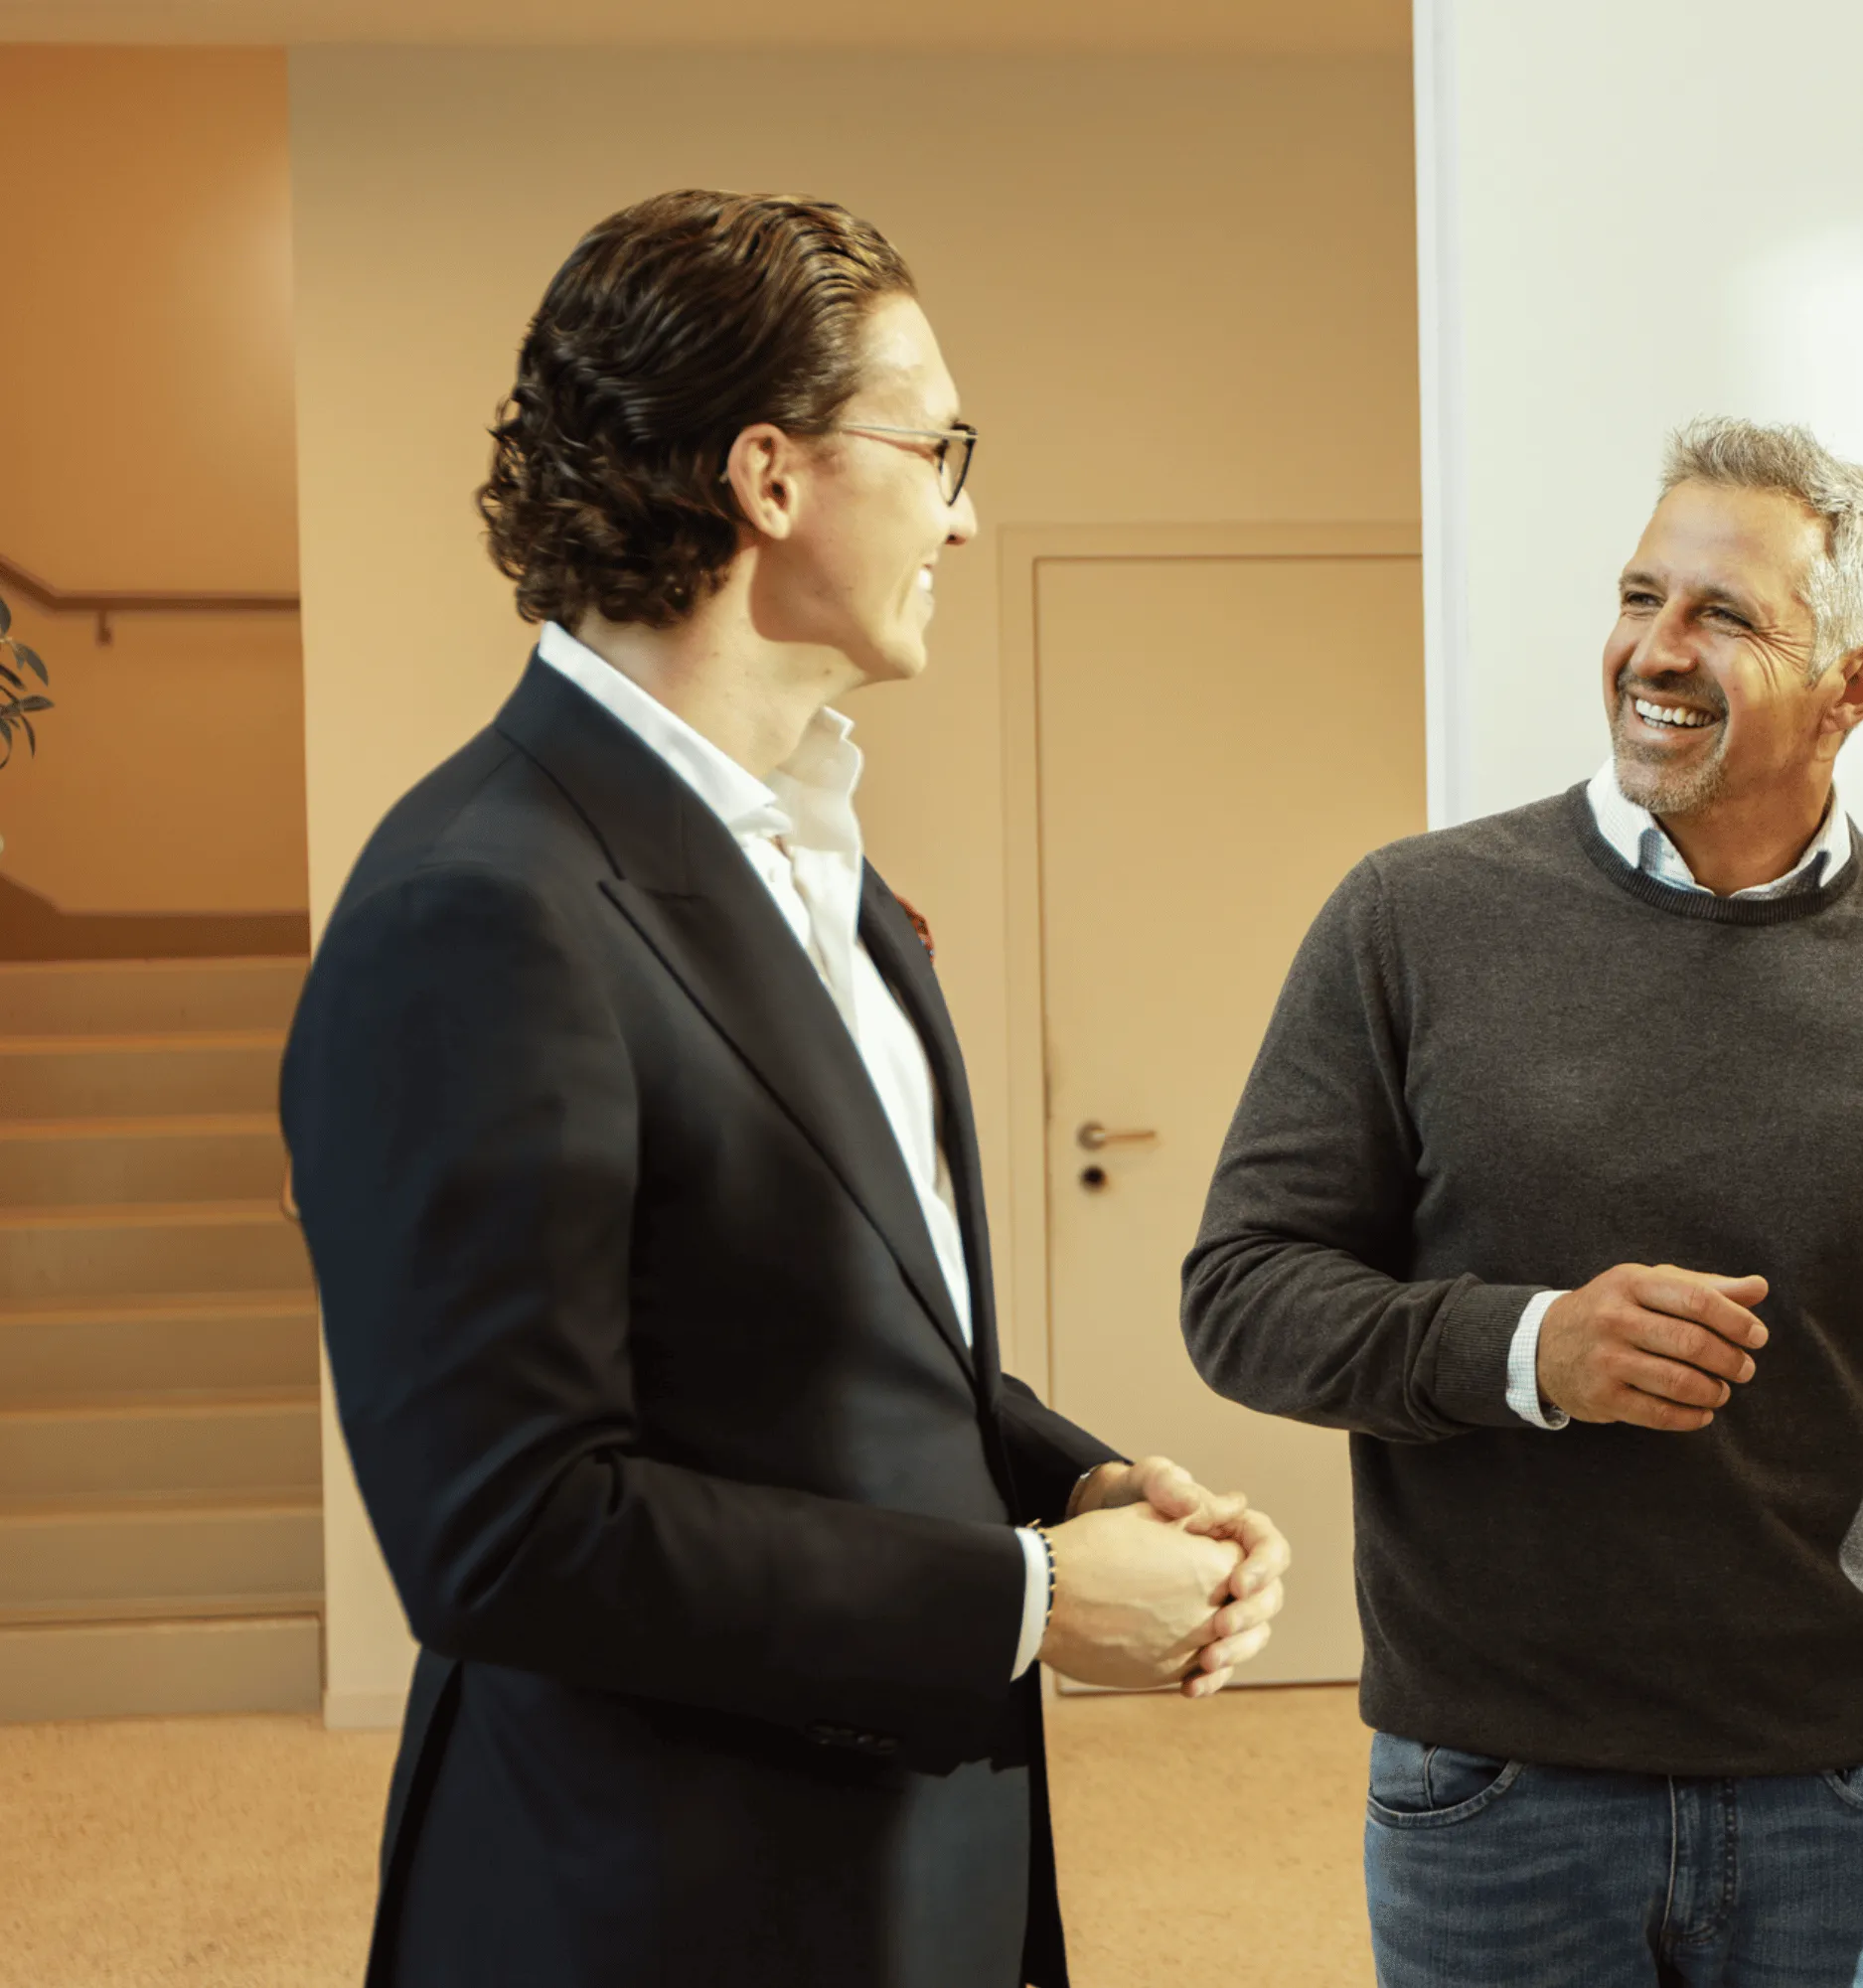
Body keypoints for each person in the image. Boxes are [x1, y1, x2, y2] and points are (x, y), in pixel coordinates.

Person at [282, 190, 1290, 1988]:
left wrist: (1080, 1488)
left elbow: (843, 1353)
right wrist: (1036, 1606)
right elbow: (512, 1529)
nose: (967, 514)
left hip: (916, 1875)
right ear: (769, 475)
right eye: (938, 446)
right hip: (656, 1900)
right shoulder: (478, 906)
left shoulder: (817, 856)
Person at [1182, 418, 1863, 1987]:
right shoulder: (1412, 919)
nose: (1655, 651)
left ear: (1857, 686)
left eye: (1725, 615)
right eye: (1642, 597)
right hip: (1495, 1782)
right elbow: (1243, 1294)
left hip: (1840, 1782)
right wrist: (1529, 1350)